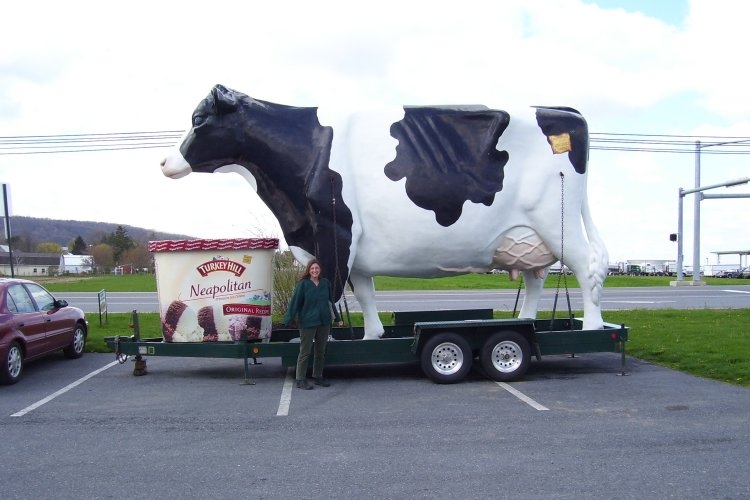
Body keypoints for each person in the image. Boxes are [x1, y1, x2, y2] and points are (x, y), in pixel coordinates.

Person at [283, 259, 343, 390]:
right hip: (308, 322)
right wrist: (288, 319)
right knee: (305, 352)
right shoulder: (303, 284)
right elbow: (295, 302)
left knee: (320, 351)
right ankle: (300, 379)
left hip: (324, 322)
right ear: (308, 270)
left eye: (317, 268)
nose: (315, 270)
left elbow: (330, 302)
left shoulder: (325, 283)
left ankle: (318, 376)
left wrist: (338, 318)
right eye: (312, 269)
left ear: (320, 270)